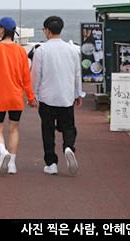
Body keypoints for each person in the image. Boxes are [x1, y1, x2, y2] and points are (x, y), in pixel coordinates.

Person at [32, 15, 86, 176]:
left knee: (47, 131)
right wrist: (78, 94)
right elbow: (77, 74)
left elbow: (36, 75)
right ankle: (68, 147)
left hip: (47, 98)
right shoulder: (71, 50)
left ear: (47, 31)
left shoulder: (41, 50)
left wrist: (32, 95)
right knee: (69, 127)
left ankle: (51, 163)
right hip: (66, 97)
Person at [0, 16, 37, 176]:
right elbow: (26, 77)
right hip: (16, 96)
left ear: (3, 29)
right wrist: (31, 97)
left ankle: (2, 151)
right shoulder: (21, 51)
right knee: (14, 129)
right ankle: (12, 163)